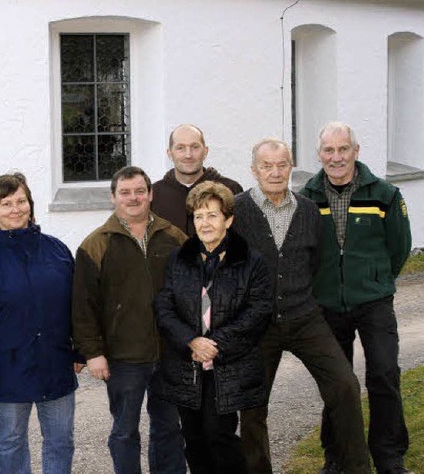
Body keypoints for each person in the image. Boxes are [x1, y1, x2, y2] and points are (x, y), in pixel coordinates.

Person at [232, 138, 371, 474]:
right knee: (252, 407)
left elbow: (319, 265)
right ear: (254, 170)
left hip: (305, 318)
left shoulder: (309, 211)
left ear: (291, 167)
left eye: (282, 164)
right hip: (258, 326)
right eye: (267, 166)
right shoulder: (236, 211)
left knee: (345, 387)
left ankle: (357, 468)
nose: (275, 172)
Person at [301, 122, 413, 474]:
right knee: (338, 384)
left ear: (356, 151)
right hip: (327, 305)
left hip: (373, 303)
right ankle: (336, 456)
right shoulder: (306, 197)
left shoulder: (385, 194)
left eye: (343, 149)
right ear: (320, 155)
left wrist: (375, 281)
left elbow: (399, 247)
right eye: (329, 151)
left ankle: (389, 457)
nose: (336, 158)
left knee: (384, 375)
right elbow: (304, 251)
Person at [0, 172, 81, 474]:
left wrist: (81, 350)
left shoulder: (57, 251)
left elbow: (78, 307)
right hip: (6, 368)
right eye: (6, 203)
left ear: (30, 205)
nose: (15, 209)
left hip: (56, 363)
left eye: (21, 201)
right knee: (10, 442)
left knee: (61, 441)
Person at [72, 165, 188, 474]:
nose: (133, 198)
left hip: (169, 353)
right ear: (113, 197)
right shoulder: (96, 244)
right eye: (125, 192)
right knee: (124, 432)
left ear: (150, 194)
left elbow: (190, 293)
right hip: (123, 357)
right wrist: (92, 353)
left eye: (139, 191)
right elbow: (83, 306)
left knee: (169, 429)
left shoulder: (174, 237)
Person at [153, 181, 272, 474]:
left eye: (212, 215)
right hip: (187, 365)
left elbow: (258, 312)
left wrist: (214, 344)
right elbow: (164, 307)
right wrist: (192, 341)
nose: (204, 223)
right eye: (198, 216)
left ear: (228, 220)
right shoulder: (179, 259)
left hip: (228, 365)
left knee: (219, 435)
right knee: (193, 438)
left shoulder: (250, 261)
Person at [152, 124, 243, 236]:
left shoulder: (231, 189)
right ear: (170, 154)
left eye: (195, 147)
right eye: (180, 148)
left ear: (205, 152)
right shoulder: (154, 194)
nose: (188, 155)